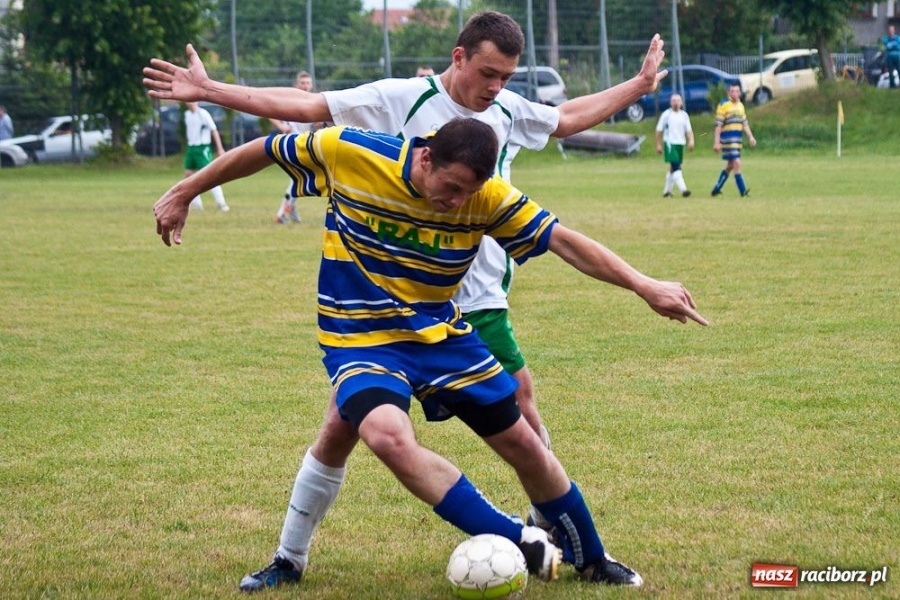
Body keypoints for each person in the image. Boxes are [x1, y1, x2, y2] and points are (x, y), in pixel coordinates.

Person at [143, 10, 670, 591]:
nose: (496, 86)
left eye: (506, 76)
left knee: (520, 429)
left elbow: (565, 218)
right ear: (458, 57)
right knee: (373, 431)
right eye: (488, 72)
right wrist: (198, 149)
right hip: (364, 328)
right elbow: (288, 126)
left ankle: (589, 555)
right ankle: (511, 538)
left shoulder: (489, 187)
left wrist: (646, 285)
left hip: (450, 316)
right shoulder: (367, 134)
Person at [268, 71, 317, 223]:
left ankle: (291, 209)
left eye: (308, 83)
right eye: (303, 83)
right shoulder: (291, 99)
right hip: (293, 144)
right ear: (297, 85)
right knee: (299, 180)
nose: (305, 86)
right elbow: (271, 112)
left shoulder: (313, 101)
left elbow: (316, 124)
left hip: (306, 144)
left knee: (301, 180)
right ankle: (282, 213)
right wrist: (282, 126)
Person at [711, 83, 756, 198]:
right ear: (728, 93)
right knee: (737, 162)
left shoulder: (741, 106)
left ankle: (716, 188)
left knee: (730, 166)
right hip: (727, 140)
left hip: (737, 140)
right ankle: (743, 191)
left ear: (740, 93)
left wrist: (750, 137)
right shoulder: (723, 105)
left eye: (737, 91)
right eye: (732, 91)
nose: (735, 93)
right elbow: (718, 126)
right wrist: (717, 142)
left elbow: (744, 124)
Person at [183, 101, 229, 211]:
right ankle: (196, 204)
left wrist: (219, 148)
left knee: (209, 175)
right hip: (191, 148)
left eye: (192, 101)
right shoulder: (187, 115)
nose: (189, 103)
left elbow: (214, 130)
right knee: (189, 175)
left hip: (202, 147)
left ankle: (221, 203)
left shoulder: (203, 114)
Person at [655, 93, 694, 198]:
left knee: (673, 167)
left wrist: (691, 140)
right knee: (676, 167)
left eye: (678, 100)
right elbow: (659, 130)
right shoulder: (666, 115)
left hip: (680, 144)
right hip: (670, 143)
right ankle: (684, 190)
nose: (676, 102)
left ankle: (667, 192)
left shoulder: (684, 115)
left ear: (681, 102)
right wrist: (658, 144)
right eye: (673, 100)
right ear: (670, 102)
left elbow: (689, 130)